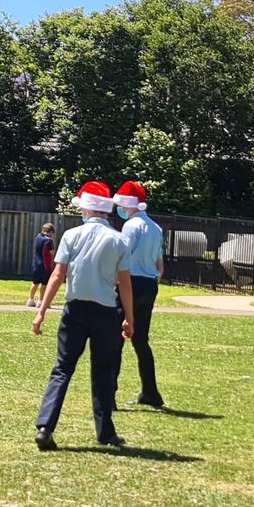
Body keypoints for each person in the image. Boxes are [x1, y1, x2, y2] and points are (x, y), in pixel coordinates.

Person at [32, 182, 136, 451]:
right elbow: (125, 283)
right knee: (103, 371)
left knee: (62, 369)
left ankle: (45, 426)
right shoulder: (119, 240)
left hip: (74, 310)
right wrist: (129, 318)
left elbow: (58, 275)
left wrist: (42, 311)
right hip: (105, 311)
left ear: (87, 209)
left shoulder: (71, 235)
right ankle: (105, 432)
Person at [114, 182, 166, 409]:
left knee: (115, 339)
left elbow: (122, 258)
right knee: (141, 340)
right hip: (149, 284)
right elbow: (160, 264)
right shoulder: (155, 228)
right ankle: (150, 392)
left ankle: (108, 394)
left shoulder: (131, 226)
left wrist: (114, 281)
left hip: (131, 283)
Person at [26, 222, 56, 309]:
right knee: (44, 284)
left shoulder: (38, 237)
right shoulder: (49, 241)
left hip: (36, 263)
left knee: (35, 283)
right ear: (50, 231)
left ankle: (30, 300)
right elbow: (52, 252)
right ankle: (41, 301)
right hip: (45, 265)